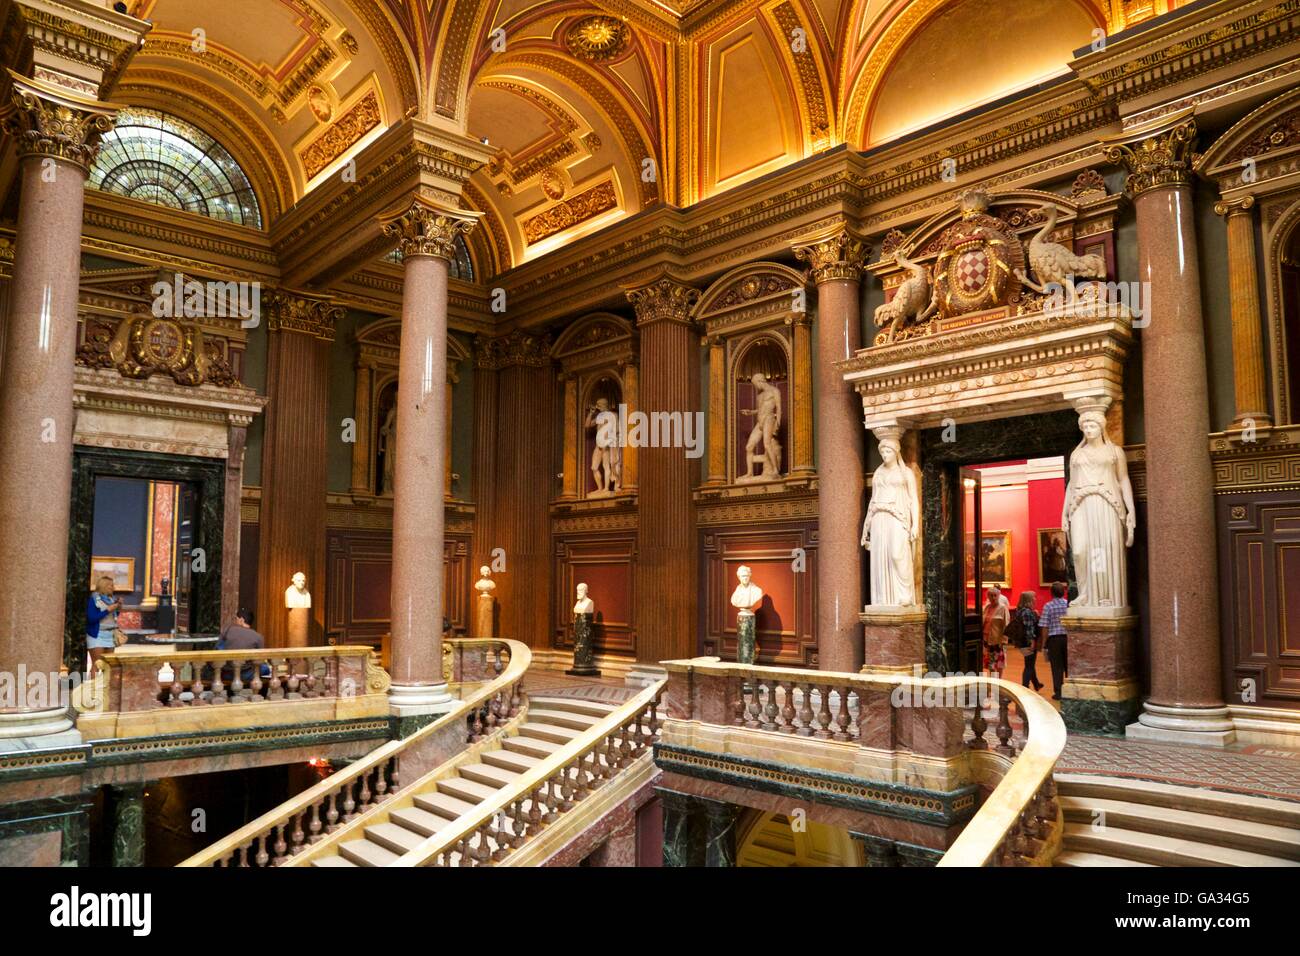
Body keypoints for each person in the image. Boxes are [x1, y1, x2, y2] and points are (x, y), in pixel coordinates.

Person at [218, 607, 266, 686]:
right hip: (246, 673)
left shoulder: (228, 630)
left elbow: (217, 648)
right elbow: (260, 659)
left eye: (236, 619)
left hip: (228, 673)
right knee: (265, 668)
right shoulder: (258, 637)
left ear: (241, 620)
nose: (235, 622)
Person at [1039, 581, 1070, 700]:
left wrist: (1044, 644)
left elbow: (1045, 626)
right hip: (1067, 637)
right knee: (1068, 666)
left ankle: (1059, 692)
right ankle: (1070, 690)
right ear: (1063, 592)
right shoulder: (1068, 604)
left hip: (1054, 639)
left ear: (1051, 593)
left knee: (1056, 666)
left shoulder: (1048, 606)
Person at [1008, 590, 1044, 691]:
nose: (1035, 599)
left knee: (1030, 663)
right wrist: (1032, 641)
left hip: (1022, 642)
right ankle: (1025, 687)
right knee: (1029, 665)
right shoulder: (1027, 612)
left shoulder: (1021, 610)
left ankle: (1036, 684)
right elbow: (1029, 629)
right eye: (1034, 597)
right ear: (1029, 600)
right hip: (1028, 642)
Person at [86, 576, 123, 669]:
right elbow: (91, 619)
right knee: (97, 665)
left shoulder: (110, 599)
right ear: (104, 586)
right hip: (97, 635)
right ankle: (93, 684)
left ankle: (106, 684)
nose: (113, 587)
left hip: (110, 635)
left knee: (108, 666)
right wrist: (107, 610)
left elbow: (113, 617)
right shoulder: (94, 599)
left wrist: (118, 607)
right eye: (111, 585)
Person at [981, 586, 1009, 683]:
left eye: (995, 596)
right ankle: (993, 682)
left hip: (997, 640)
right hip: (986, 639)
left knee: (999, 663)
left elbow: (1007, 625)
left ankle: (999, 682)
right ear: (988, 596)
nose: (993, 598)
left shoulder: (1002, 608)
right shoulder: (986, 608)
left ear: (998, 596)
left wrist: (1004, 640)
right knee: (990, 663)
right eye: (991, 595)